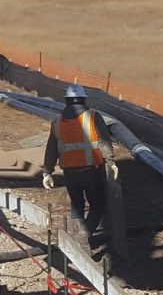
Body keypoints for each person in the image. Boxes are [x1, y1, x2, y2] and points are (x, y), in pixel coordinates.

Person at [46, 86, 113, 249]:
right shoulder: (93, 117)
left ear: (66, 101)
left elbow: (51, 150)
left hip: (70, 172)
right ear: (84, 100)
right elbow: (104, 141)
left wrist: (47, 172)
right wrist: (111, 162)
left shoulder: (57, 123)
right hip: (92, 170)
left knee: (77, 205)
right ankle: (82, 237)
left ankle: (80, 236)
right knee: (98, 204)